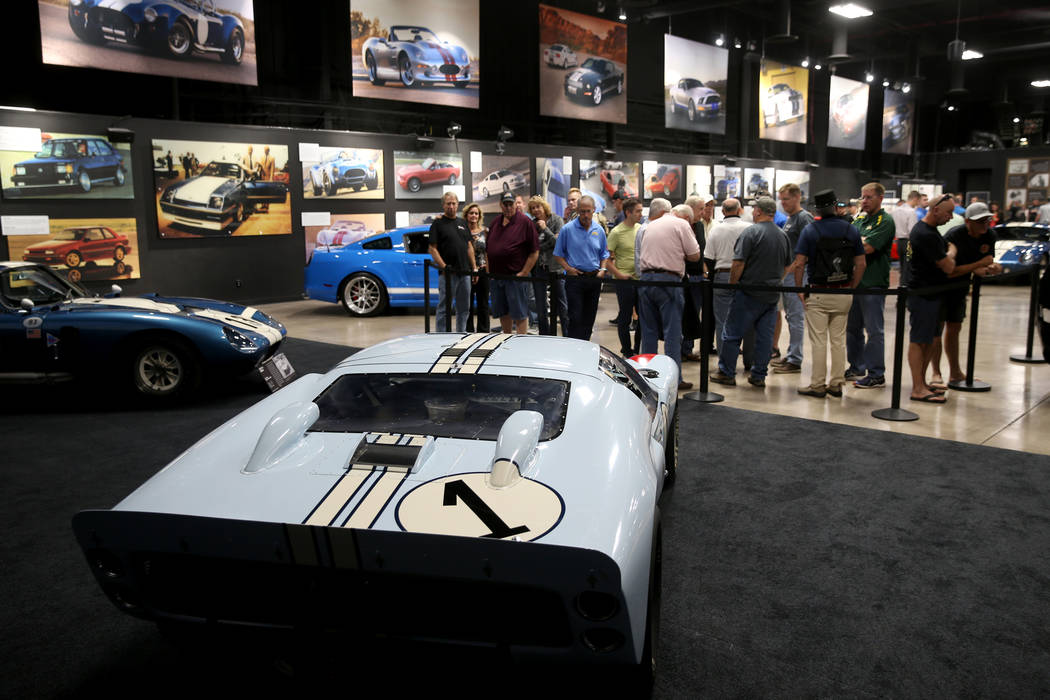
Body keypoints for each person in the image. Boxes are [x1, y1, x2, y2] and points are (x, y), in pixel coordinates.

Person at [710, 197, 793, 389]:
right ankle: (758, 375)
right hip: (771, 295)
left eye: (754, 209)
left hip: (747, 293)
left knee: (731, 334)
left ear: (758, 211)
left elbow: (738, 263)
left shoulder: (751, 233)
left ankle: (727, 372)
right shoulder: (782, 236)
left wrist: (733, 285)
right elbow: (789, 265)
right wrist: (777, 280)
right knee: (764, 338)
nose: (753, 212)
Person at [793, 190, 867, 398]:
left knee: (818, 341)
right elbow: (861, 263)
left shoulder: (810, 231)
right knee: (838, 339)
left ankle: (817, 385)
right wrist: (852, 285)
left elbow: (799, 263)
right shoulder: (850, 230)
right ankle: (836, 384)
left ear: (818, 209)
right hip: (843, 290)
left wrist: (799, 288)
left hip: (818, 291)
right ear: (836, 207)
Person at [929, 202, 1002, 386]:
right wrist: (978, 265)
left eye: (987, 220)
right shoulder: (954, 236)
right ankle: (936, 372)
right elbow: (949, 270)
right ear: (968, 221)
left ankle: (955, 372)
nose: (984, 224)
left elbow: (986, 262)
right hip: (941, 286)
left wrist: (990, 267)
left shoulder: (990, 235)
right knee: (936, 330)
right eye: (980, 221)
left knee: (954, 328)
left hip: (960, 288)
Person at [636, 199, 700, 388]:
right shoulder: (681, 224)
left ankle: (647, 379)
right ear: (687, 217)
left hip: (646, 280)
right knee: (673, 334)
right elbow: (695, 255)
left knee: (648, 333)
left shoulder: (650, 225)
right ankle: (674, 380)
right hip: (669, 282)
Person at [905, 194, 958, 403]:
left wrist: (948, 252)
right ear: (935, 210)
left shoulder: (931, 232)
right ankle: (917, 387)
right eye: (948, 213)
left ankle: (922, 383)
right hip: (922, 294)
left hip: (932, 294)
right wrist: (951, 252)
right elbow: (948, 265)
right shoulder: (924, 233)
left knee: (928, 340)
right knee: (919, 341)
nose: (951, 217)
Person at [846, 183, 896, 388]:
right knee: (852, 329)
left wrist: (856, 243)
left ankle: (876, 373)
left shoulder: (885, 221)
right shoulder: (859, 219)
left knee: (874, 330)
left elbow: (866, 247)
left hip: (873, 284)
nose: (864, 201)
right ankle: (857, 366)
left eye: (869, 197)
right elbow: (848, 242)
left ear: (880, 198)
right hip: (854, 283)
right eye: (862, 197)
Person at [705, 198, 753, 366]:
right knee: (748, 320)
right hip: (746, 277)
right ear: (740, 210)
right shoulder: (749, 228)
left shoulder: (716, 230)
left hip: (722, 276)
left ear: (723, 211)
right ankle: (749, 361)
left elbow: (709, 258)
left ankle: (724, 363)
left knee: (722, 321)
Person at [553, 195, 608, 341]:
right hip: (575, 280)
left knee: (589, 320)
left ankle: (585, 348)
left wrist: (602, 270)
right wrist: (568, 269)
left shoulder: (599, 230)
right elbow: (558, 254)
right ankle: (573, 350)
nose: (585, 215)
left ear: (594, 210)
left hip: (594, 279)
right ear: (577, 210)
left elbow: (604, 254)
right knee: (575, 318)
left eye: (588, 211)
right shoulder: (567, 229)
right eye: (582, 211)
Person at [771, 183, 813, 374]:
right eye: (781, 200)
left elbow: (809, 248)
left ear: (797, 197)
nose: (783, 203)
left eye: (786, 199)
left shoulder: (804, 218)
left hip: (797, 275)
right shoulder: (790, 219)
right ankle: (791, 354)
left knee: (796, 318)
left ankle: (795, 359)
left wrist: (795, 268)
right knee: (790, 316)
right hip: (788, 274)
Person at [487, 191, 539, 335]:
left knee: (520, 313)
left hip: (515, 278)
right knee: (503, 311)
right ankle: (507, 337)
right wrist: (489, 272)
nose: (509, 207)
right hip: (497, 277)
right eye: (506, 204)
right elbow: (488, 249)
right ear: (501, 205)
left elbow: (534, 252)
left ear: (516, 205)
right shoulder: (495, 222)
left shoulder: (525, 222)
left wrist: (523, 273)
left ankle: (520, 342)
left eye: (511, 204)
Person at [428, 192, 476, 332]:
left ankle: (460, 334)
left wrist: (474, 268)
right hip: (448, 275)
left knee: (464, 308)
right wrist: (445, 267)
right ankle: (441, 336)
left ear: (457, 205)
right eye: (448, 203)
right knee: (444, 308)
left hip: (465, 273)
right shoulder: (437, 224)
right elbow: (432, 249)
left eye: (454, 203)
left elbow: (469, 246)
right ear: (443, 205)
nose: (451, 206)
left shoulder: (462, 223)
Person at [606, 197, 643, 355]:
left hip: (641, 280)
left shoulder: (641, 229)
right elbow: (606, 260)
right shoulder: (616, 232)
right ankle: (627, 351)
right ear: (628, 213)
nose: (641, 214)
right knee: (625, 316)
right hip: (624, 281)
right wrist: (619, 275)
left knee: (642, 317)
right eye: (638, 211)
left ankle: (637, 349)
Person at [529, 196, 564, 335]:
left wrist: (545, 229)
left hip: (556, 268)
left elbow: (558, 242)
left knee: (562, 304)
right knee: (540, 305)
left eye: (538, 206)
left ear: (544, 206)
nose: (536, 210)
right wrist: (548, 242)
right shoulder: (532, 224)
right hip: (539, 268)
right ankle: (544, 335)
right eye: (532, 208)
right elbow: (533, 247)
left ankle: (567, 335)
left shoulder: (556, 220)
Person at [462, 202, 489, 333]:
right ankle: (468, 331)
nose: (474, 215)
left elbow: (487, 252)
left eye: (476, 213)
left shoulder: (485, 231)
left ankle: (483, 332)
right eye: (471, 213)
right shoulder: (462, 231)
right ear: (466, 215)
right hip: (467, 271)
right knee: (467, 304)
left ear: (479, 216)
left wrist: (489, 272)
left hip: (483, 271)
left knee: (483, 303)